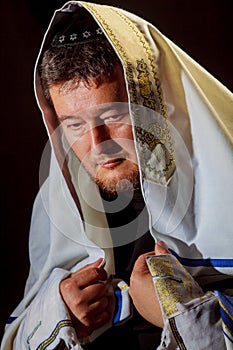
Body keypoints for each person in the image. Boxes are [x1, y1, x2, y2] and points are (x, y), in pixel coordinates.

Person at [1, 1, 233, 349]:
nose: (96, 146)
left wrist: (182, 313)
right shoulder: (61, 198)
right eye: (74, 124)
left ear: (155, 102)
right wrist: (60, 310)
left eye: (111, 116)